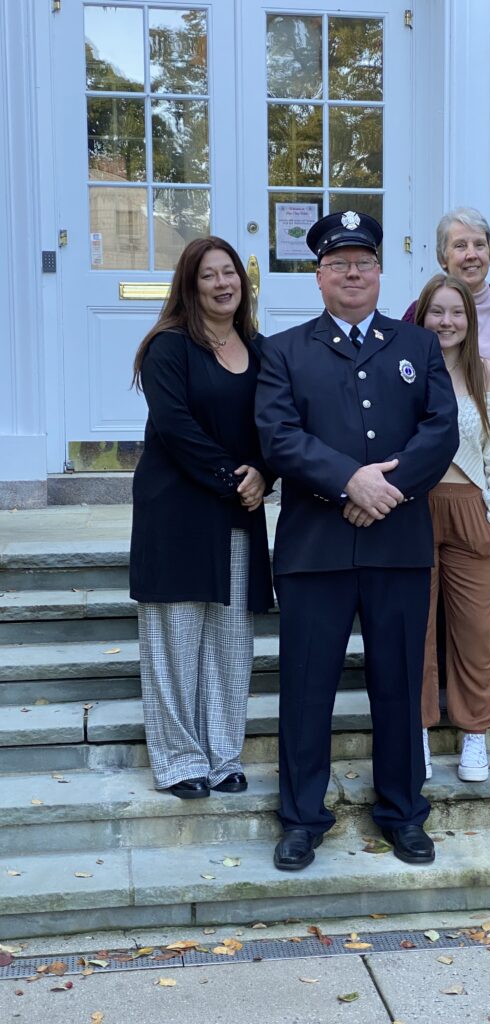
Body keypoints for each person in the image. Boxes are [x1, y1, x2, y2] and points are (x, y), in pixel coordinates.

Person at [257, 211, 458, 872]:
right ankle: (302, 817)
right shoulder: (284, 351)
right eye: (338, 263)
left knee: (399, 685)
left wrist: (385, 492)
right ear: (318, 275)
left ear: (379, 271)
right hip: (315, 549)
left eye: (362, 262)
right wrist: (349, 483)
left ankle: (402, 812)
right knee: (307, 689)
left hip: (397, 543)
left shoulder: (417, 346)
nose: (351, 273)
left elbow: (440, 430)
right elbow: (279, 437)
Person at [129, 237, 273, 800]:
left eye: (229, 273)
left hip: (238, 511)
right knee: (175, 638)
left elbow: (274, 425)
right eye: (208, 275)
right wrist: (235, 478)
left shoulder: (259, 350)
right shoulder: (168, 348)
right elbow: (176, 427)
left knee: (230, 643)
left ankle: (222, 757)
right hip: (180, 511)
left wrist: (264, 470)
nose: (222, 283)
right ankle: (178, 760)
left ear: (243, 281)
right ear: (189, 287)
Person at [403, 207, 490, 714]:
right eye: (460, 245)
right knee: (427, 592)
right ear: (443, 256)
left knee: (487, 589)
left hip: (488, 477)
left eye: (479, 244)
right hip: (428, 486)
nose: (471, 253)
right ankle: (432, 689)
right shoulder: (416, 317)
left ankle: (487, 681)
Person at [414, 274, 490, 782]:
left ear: (470, 318)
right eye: (436, 312)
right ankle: (414, 730)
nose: (446, 322)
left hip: (471, 509)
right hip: (414, 508)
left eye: (455, 312)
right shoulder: (405, 372)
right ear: (422, 317)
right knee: (414, 632)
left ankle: (474, 736)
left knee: (475, 632)